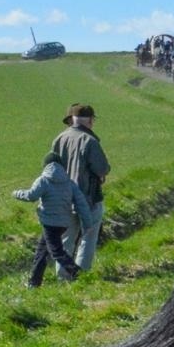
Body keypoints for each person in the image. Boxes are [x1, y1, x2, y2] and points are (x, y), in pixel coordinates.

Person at [14, 151, 94, 287]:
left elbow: (31, 196)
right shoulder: (69, 182)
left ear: (45, 166)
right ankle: (34, 283)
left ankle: (77, 273)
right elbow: (81, 204)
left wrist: (16, 193)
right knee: (41, 251)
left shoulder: (43, 180)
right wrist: (88, 223)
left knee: (56, 252)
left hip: (49, 223)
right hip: (64, 223)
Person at [51, 103, 110, 271]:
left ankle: (63, 275)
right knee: (88, 237)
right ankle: (82, 274)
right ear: (90, 121)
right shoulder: (90, 141)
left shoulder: (59, 139)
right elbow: (102, 168)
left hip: (63, 198)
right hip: (87, 197)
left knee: (66, 239)